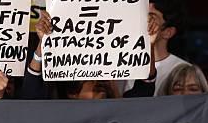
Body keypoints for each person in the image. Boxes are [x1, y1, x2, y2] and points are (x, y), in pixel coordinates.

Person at [22, 11, 156, 99]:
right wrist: (43, 43)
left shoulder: (125, 113)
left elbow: (146, 85)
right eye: (89, 77)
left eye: (104, 75)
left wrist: (148, 44)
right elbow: (30, 94)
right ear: (73, 94)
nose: (100, 80)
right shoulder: (59, 118)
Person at [122, 0, 189, 96]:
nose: (142, 21)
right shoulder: (117, 64)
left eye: (151, 17)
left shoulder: (184, 70)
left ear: (168, 32)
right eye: (141, 16)